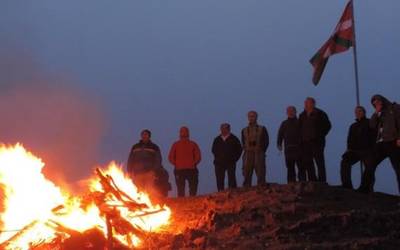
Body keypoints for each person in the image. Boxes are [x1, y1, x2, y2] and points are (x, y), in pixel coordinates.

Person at [359, 95, 400, 193]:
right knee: (370, 164)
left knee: (398, 168)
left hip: (393, 142)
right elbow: (372, 125)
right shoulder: (379, 113)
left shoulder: (395, 108)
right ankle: (364, 189)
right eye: (374, 103)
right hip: (381, 143)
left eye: (377, 101)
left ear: (382, 100)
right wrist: (376, 112)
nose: (376, 104)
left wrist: (399, 137)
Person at [340, 106, 376, 189]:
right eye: (356, 112)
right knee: (345, 162)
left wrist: (373, 148)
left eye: (359, 111)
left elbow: (374, 136)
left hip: (366, 150)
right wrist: (348, 149)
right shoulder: (353, 126)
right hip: (354, 150)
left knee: (369, 168)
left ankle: (367, 188)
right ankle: (346, 185)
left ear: (364, 112)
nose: (357, 113)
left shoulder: (369, 122)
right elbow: (349, 139)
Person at [127, 129, 170, 197]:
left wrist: (153, 171)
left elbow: (158, 160)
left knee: (149, 191)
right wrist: (129, 170)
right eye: (143, 134)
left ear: (149, 136)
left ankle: (149, 205)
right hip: (137, 173)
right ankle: (139, 206)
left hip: (149, 173)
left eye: (146, 134)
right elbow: (130, 159)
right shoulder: (135, 147)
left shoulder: (154, 147)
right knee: (138, 191)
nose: (144, 136)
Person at [299, 97, 331, 182]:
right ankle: (312, 180)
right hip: (305, 142)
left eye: (307, 103)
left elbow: (328, 126)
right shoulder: (302, 115)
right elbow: (300, 128)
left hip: (317, 142)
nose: (305, 104)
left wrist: (319, 135)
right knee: (308, 162)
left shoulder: (320, 113)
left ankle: (322, 181)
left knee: (319, 161)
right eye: (305, 102)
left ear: (313, 104)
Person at [168, 126, 202, 197]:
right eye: (182, 131)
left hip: (189, 169)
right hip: (182, 169)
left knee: (191, 188)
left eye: (185, 131)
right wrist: (176, 164)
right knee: (182, 189)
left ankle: (190, 201)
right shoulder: (176, 144)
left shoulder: (192, 144)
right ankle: (183, 203)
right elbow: (170, 157)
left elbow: (198, 156)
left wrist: (193, 163)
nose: (183, 133)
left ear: (188, 133)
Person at [277, 106, 305, 183]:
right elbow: (280, 134)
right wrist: (279, 144)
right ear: (286, 113)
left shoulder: (300, 122)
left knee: (301, 167)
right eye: (288, 111)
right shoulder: (284, 123)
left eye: (292, 111)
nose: (290, 112)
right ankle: (291, 184)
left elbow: (305, 134)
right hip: (288, 149)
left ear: (295, 112)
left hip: (299, 148)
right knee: (290, 167)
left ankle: (302, 183)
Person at [212, 123, 243, 191]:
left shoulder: (234, 139)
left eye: (225, 128)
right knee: (219, 178)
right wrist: (218, 158)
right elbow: (213, 150)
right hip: (219, 163)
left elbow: (239, 150)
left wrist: (235, 159)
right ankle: (220, 192)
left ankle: (232, 191)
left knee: (231, 178)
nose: (223, 130)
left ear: (229, 129)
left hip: (230, 162)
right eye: (222, 128)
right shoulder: (217, 139)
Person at [241, 111, 269, 187]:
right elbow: (243, 141)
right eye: (250, 116)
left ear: (256, 117)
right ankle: (246, 188)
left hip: (259, 152)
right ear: (247, 118)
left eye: (253, 116)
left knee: (260, 171)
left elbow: (266, 141)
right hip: (248, 153)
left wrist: (262, 150)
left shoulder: (262, 128)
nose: (251, 118)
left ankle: (261, 187)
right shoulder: (244, 130)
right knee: (246, 172)